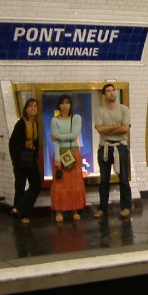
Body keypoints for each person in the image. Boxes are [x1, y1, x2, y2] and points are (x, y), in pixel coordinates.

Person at [95, 83, 132, 218]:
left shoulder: (124, 109)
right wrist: (117, 126)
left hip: (120, 146)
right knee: (104, 180)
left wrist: (108, 128)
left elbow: (125, 129)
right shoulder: (100, 111)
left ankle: (126, 207)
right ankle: (102, 208)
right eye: (108, 91)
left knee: (123, 178)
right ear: (104, 95)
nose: (112, 93)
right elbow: (100, 129)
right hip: (104, 147)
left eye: (113, 90)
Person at [50, 94, 86, 223]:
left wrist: (59, 136)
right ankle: (59, 211)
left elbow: (74, 135)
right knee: (60, 183)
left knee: (74, 183)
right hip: (61, 154)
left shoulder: (76, 118)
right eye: (62, 103)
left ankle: (75, 210)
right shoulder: (55, 120)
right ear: (59, 106)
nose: (65, 105)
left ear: (71, 105)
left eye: (67, 103)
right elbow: (55, 143)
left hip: (74, 153)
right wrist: (57, 159)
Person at [8, 98, 41, 225]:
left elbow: (36, 140)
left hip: (31, 156)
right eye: (31, 106)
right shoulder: (21, 123)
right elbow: (12, 142)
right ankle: (21, 214)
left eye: (35, 106)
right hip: (20, 158)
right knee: (20, 186)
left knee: (36, 184)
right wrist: (14, 159)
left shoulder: (35, 123)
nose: (33, 108)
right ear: (26, 109)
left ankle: (18, 208)